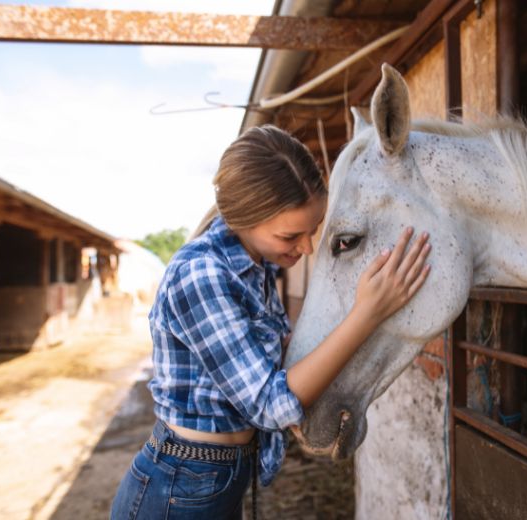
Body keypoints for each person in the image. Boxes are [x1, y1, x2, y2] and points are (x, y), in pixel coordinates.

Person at [110, 125, 431, 519]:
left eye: (313, 230)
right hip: (181, 488)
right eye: (290, 236)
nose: (307, 247)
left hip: (213, 479)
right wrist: (366, 314)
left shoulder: (256, 264)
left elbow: (273, 363)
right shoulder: (203, 273)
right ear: (246, 219)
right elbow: (270, 404)